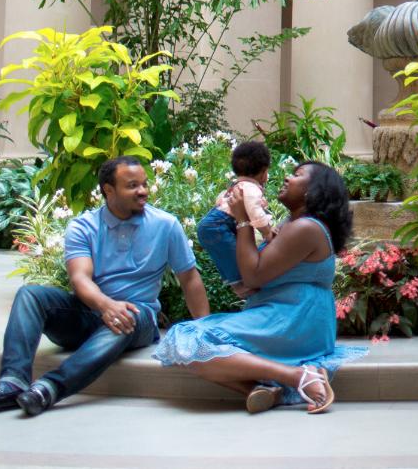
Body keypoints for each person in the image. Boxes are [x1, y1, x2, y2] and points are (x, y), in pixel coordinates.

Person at [0, 155, 208, 417]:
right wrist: (106, 306)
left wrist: (205, 329)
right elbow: (80, 278)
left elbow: (189, 278)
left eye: (144, 184)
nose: (142, 191)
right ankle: (12, 384)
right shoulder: (84, 226)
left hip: (139, 316)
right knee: (30, 295)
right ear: (108, 190)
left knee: (124, 316)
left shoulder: (165, 225)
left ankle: (49, 389)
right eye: (132, 186)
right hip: (89, 313)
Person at [154, 161, 364, 413]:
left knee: (189, 339)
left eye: (297, 175)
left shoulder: (306, 228)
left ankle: (296, 376)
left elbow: (252, 276)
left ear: (313, 191)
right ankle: (263, 389)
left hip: (295, 320)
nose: (287, 178)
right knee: (188, 348)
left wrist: (243, 220)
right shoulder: (290, 224)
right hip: (282, 317)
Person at [196, 140, 276, 294]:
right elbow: (255, 213)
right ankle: (244, 286)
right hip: (219, 225)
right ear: (263, 172)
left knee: (226, 258)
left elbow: (220, 201)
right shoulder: (251, 188)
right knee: (238, 258)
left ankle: (237, 286)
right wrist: (267, 232)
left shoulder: (236, 185)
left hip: (211, 224)